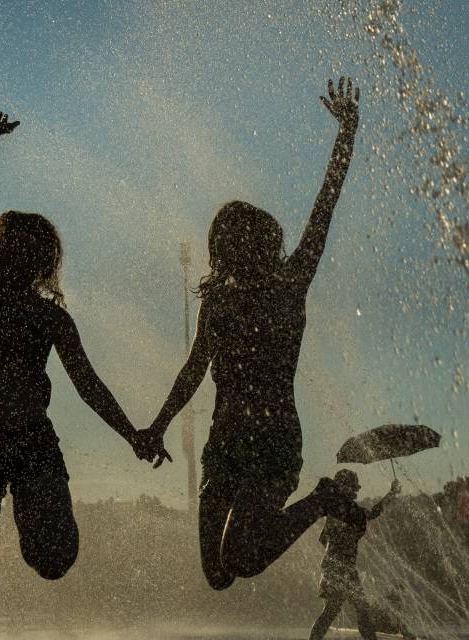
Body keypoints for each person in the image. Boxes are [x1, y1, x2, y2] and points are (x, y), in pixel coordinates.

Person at [139, 78, 362, 590]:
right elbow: (194, 368)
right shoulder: (219, 302)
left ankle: (321, 501)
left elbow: (324, 206)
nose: (251, 254)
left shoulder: (291, 284)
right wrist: (157, 425)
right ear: (230, 252)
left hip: (274, 444)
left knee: (242, 558)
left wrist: (347, 132)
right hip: (227, 443)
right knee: (217, 575)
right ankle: (314, 504)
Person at [0, 112, 165, 586]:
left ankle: (33, 521)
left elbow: (88, 385)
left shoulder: (48, 317)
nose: (17, 258)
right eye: (11, 248)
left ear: (38, 262)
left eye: (26, 252)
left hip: (29, 440)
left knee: (54, 559)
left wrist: (132, 434)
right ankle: (9, 521)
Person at [309, 471, 407, 640]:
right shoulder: (345, 509)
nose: (355, 492)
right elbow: (372, 513)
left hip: (338, 567)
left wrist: (391, 494)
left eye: (355, 489)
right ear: (343, 488)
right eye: (352, 488)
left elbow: (323, 539)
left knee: (349, 610)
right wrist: (391, 494)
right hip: (340, 568)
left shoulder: (340, 509)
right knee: (351, 610)